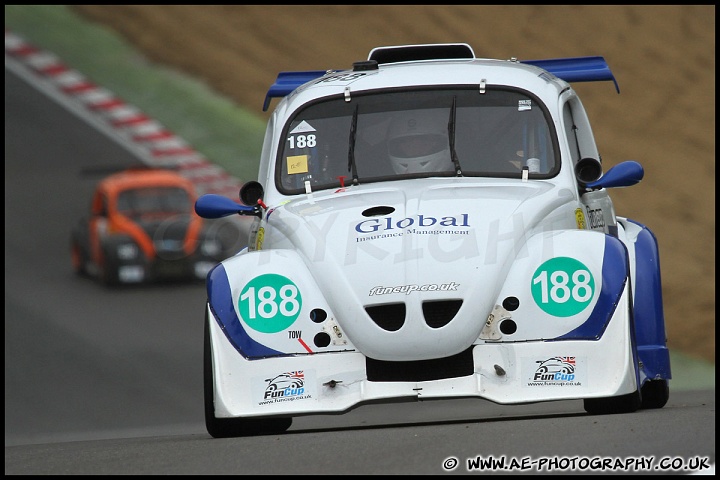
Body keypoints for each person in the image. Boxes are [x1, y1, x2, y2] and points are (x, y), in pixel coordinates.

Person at [386, 110, 453, 174]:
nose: (415, 148)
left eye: (425, 141)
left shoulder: (462, 182)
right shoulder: (379, 183)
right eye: (406, 142)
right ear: (397, 148)